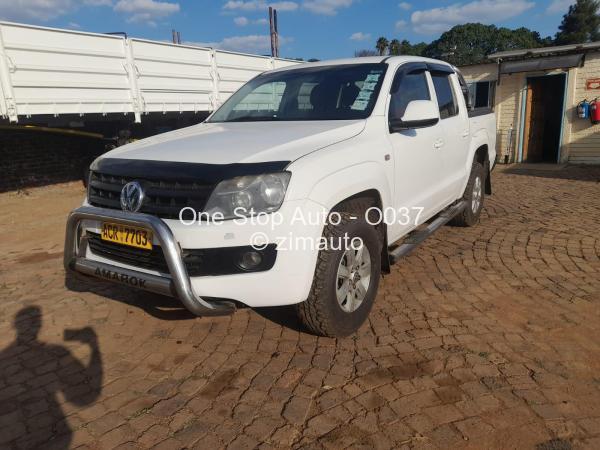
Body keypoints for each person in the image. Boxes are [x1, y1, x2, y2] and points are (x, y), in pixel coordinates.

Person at [0, 306, 103, 449]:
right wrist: (94, 347)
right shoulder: (56, 351)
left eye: (36, 321)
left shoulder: (4, 358)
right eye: (35, 322)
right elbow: (82, 400)